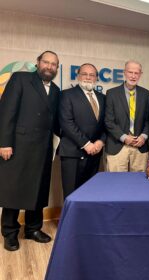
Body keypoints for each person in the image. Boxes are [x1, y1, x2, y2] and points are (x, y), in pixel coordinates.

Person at [0, 51, 60, 251]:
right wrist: (4, 143)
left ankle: (33, 228)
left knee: (38, 190)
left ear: (56, 69)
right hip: (18, 146)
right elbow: (6, 111)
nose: (49, 67)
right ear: (38, 63)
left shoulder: (56, 90)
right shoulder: (21, 79)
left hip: (43, 148)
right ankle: (10, 233)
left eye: (53, 64)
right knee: (14, 190)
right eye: (46, 62)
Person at [59, 63, 106, 199]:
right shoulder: (66, 95)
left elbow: (106, 124)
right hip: (72, 153)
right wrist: (86, 144)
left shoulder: (102, 97)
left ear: (96, 78)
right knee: (71, 193)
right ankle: (70, 221)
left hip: (95, 153)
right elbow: (66, 123)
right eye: (84, 74)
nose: (88, 77)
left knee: (89, 193)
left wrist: (101, 141)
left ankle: (85, 220)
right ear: (78, 76)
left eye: (92, 75)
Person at [105, 60, 149, 172]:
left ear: (140, 74)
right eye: (130, 72)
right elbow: (108, 121)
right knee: (116, 184)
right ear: (124, 72)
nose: (133, 76)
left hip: (140, 146)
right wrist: (124, 138)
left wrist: (144, 136)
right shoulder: (111, 93)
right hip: (118, 146)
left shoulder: (146, 94)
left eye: (136, 73)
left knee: (139, 185)